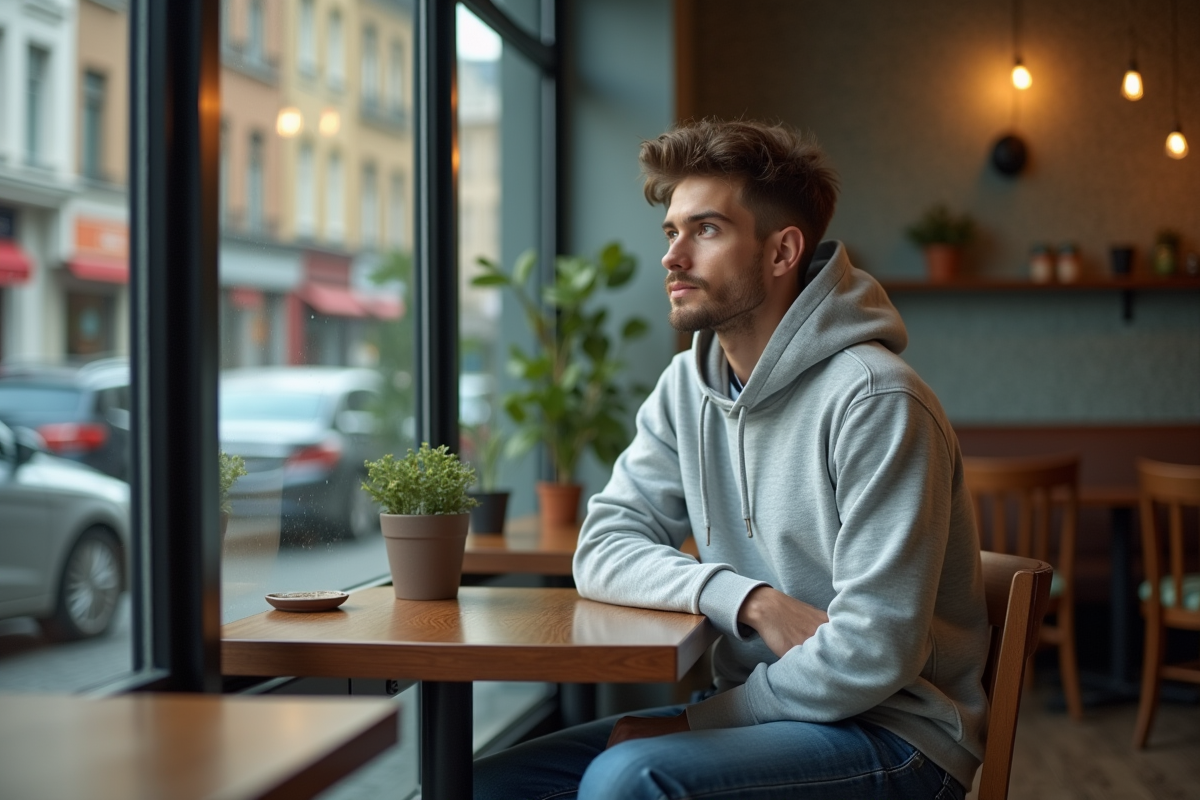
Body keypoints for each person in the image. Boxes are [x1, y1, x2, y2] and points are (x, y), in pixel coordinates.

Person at [474, 119, 990, 800]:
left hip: (895, 736)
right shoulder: (687, 389)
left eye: (706, 230)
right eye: (671, 232)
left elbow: (873, 653)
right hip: (758, 706)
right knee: (486, 783)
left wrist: (696, 723)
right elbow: (601, 548)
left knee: (631, 779)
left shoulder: (876, 399)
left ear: (781, 253)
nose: (672, 256)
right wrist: (747, 600)